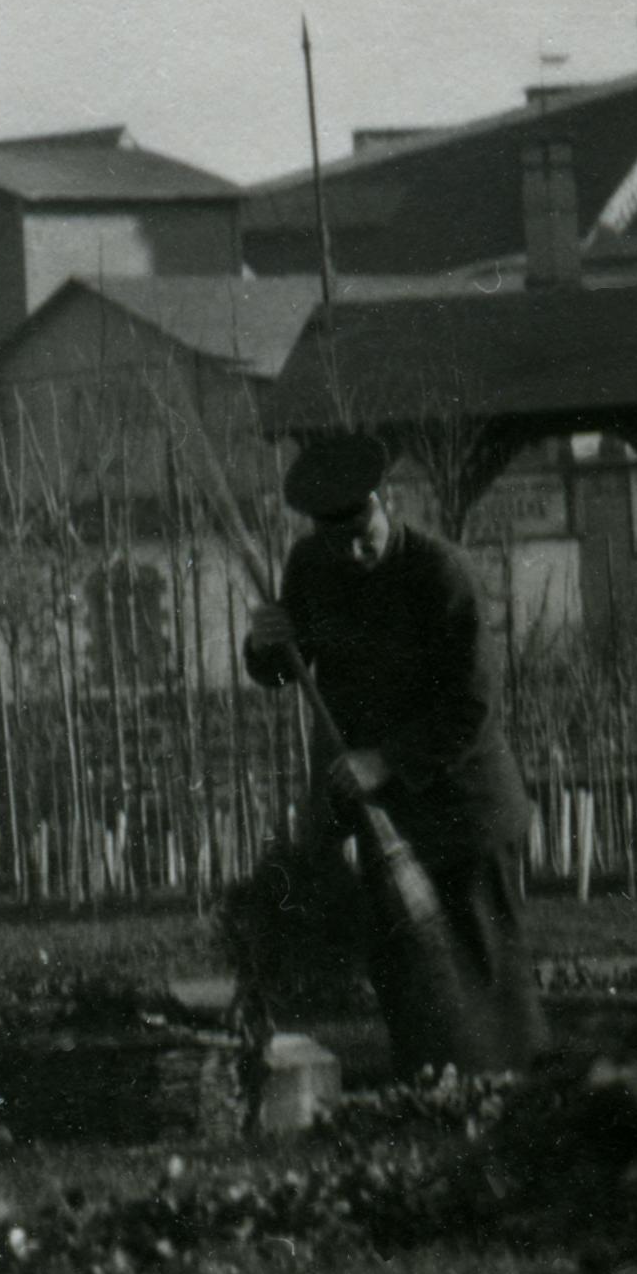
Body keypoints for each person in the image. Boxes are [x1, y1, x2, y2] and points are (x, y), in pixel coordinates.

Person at [235, 438, 540, 1076]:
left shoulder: (440, 572)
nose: (354, 552)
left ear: (387, 505)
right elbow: (285, 668)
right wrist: (264, 647)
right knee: (406, 975)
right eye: (337, 540)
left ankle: (507, 1104)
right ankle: (427, 1101)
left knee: (484, 972)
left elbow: (472, 706)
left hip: (467, 809)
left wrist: (387, 761)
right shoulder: (311, 565)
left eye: (365, 535)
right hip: (387, 821)